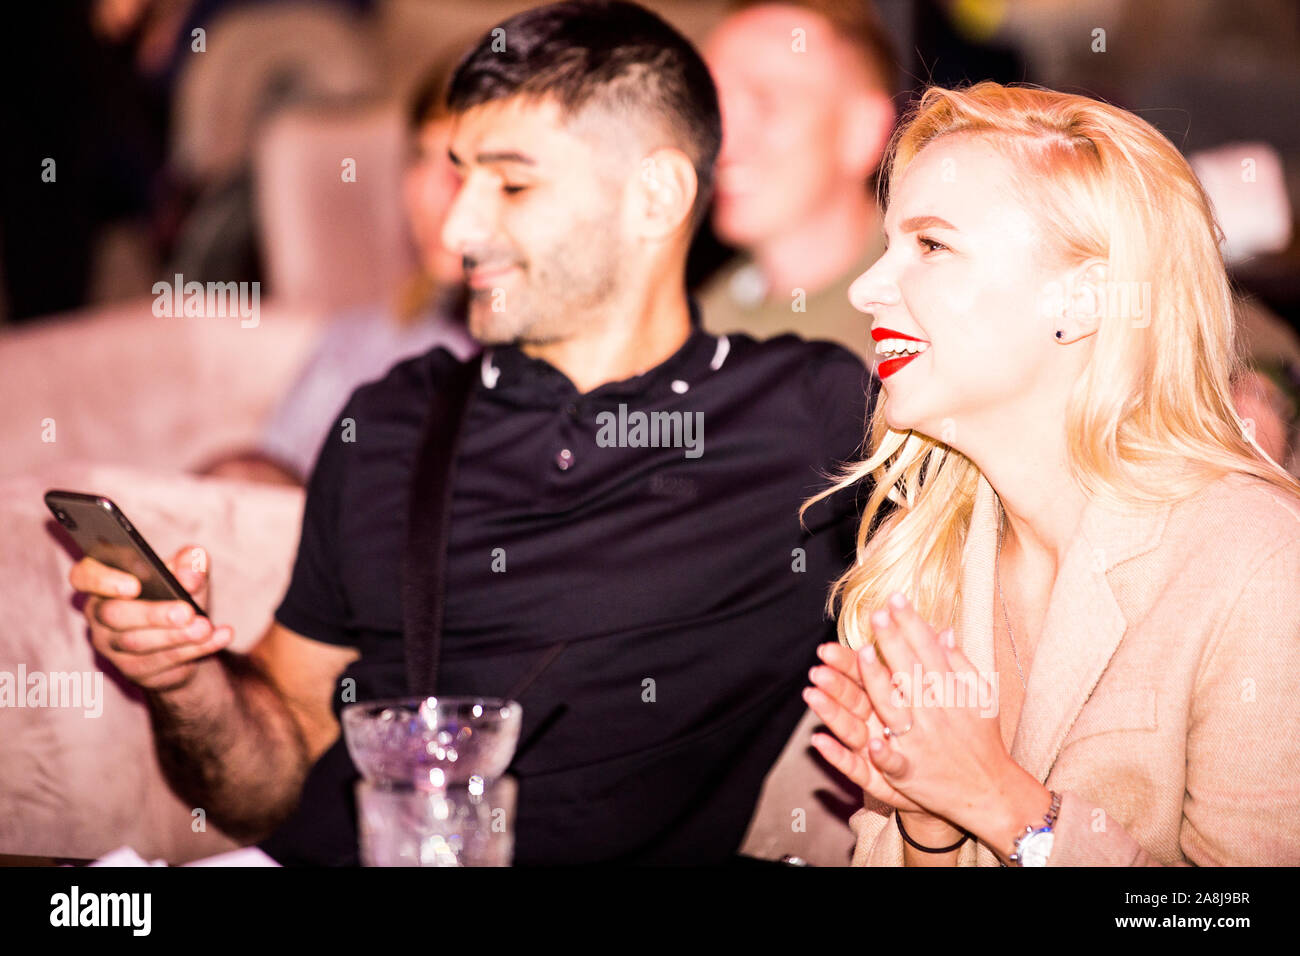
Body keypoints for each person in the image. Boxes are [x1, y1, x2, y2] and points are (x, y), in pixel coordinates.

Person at [67, 0, 875, 866]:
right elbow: (265, 777)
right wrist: (187, 683)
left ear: (656, 196)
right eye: (455, 176)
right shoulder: (391, 419)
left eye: (512, 183)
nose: (456, 231)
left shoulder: (806, 416)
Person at [803, 81, 1300, 866]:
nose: (868, 288)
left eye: (930, 246)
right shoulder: (921, 560)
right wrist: (927, 828)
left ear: (1084, 299)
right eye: (888, 245)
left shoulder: (1259, 563)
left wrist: (1003, 807)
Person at [197, 55, 477, 487]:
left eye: (459, 166)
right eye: (420, 157)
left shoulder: (528, 379)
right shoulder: (356, 338)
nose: (424, 194)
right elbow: (266, 468)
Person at [696, 0, 897, 365]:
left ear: (863, 132)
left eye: (766, 101)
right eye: (712, 105)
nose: (723, 139)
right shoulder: (699, 328)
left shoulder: (916, 323)